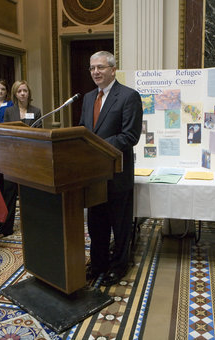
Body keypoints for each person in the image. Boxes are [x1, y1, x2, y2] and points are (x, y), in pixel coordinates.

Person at [79, 51, 143, 286]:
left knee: (120, 226)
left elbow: (130, 136)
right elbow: (83, 129)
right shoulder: (87, 98)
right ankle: (98, 264)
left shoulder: (129, 96)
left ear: (113, 70)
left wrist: (95, 146)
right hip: (93, 177)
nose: (96, 72)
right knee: (96, 224)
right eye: (92, 68)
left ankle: (119, 266)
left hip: (117, 174)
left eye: (101, 67)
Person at [0, 80, 42, 238]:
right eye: (19, 91)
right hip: (12, 159)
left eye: (25, 91)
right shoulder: (9, 111)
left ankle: (33, 225)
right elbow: (5, 132)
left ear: (29, 93)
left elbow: (39, 134)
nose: (23, 93)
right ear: (15, 94)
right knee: (9, 194)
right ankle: (5, 229)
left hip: (29, 159)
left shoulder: (36, 111)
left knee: (29, 194)